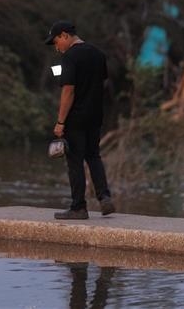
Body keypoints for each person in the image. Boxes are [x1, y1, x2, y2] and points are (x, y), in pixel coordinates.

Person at [44, 20, 115, 220]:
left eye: (56, 41)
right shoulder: (98, 54)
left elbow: (68, 90)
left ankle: (78, 207)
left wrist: (60, 122)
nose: (57, 47)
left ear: (65, 35)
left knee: (74, 161)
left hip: (75, 118)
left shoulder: (70, 57)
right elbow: (100, 83)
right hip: (96, 116)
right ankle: (104, 197)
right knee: (93, 156)